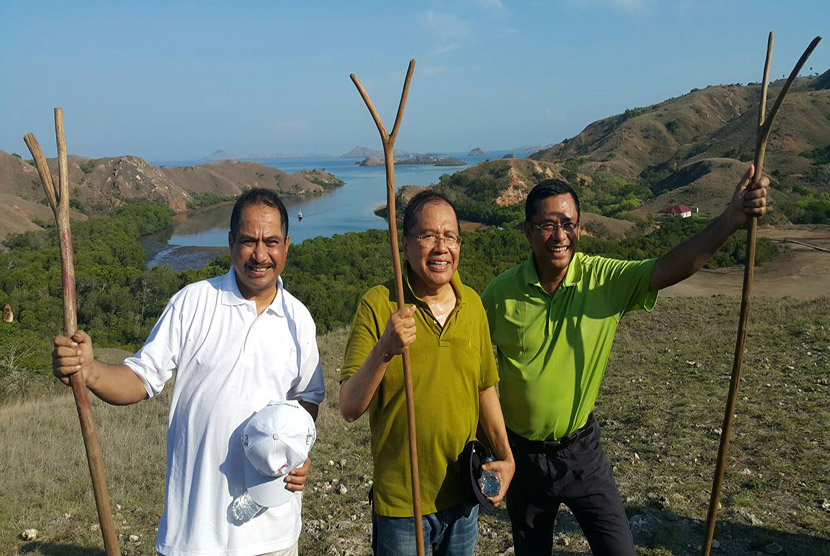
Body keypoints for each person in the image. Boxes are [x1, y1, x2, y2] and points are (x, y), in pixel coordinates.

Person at [481, 166, 768, 556]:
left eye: (568, 223)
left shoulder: (603, 279)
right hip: (523, 458)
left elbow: (672, 266)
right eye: (548, 225)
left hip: (582, 454)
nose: (560, 235)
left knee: (619, 550)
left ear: (579, 228)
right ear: (529, 231)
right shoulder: (499, 294)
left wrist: (731, 221)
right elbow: (475, 369)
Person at [52, 188, 325, 556]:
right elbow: (139, 379)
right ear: (230, 243)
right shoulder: (192, 303)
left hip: (273, 534)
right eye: (248, 241)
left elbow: (307, 398)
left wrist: (300, 450)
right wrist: (90, 371)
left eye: (271, 242)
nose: (260, 255)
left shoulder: (299, 320)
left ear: (287, 245)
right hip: (195, 535)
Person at [339, 191, 515, 556]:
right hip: (403, 504)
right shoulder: (380, 304)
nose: (441, 247)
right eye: (428, 236)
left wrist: (506, 456)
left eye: (450, 236)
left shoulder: (473, 306)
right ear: (405, 245)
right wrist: (385, 349)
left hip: (465, 493)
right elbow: (349, 406)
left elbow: (485, 389)